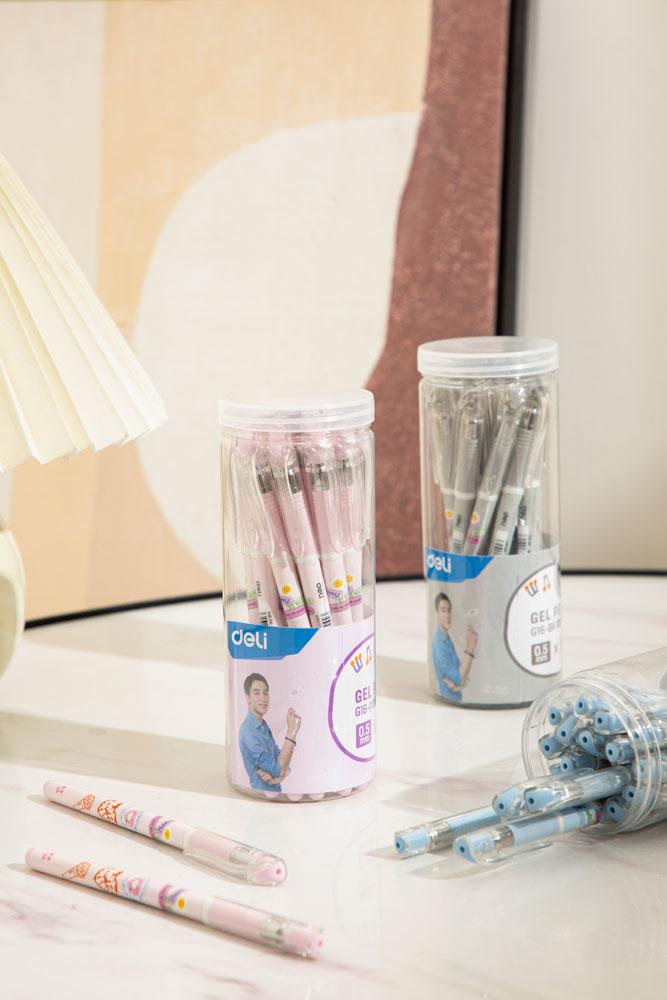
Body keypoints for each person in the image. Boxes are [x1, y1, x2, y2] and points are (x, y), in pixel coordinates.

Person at [238, 672, 301, 792]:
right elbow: (280, 769)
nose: (263, 698)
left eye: (265, 693)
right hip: (260, 795)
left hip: (275, 793)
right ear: (248, 697)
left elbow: (282, 762)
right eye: (257, 693)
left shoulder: (262, 726)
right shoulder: (248, 732)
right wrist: (292, 731)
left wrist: (276, 779)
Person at [432, 593, 477, 702]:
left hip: (456, 701)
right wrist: (470, 647)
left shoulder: (446, 640)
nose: (447, 615)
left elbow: (464, 675)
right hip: (448, 703)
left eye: (449, 610)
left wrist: (458, 686)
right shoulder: (440, 644)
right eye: (443, 610)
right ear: (437, 614)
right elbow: (459, 677)